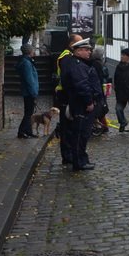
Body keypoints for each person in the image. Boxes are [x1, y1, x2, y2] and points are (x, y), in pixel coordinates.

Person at [60, 38, 102, 171]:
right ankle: (79, 162)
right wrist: (89, 102)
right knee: (80, 134)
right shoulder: (77, 65)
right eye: (86, 50)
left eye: (89, 50)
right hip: (81, 105)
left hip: (80, 104)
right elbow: (82, 85)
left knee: (82, 134)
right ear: (78, 51)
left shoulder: (78, 64)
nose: (89, 52)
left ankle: (82, 159)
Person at [54, 33, 83, 165]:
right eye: (79, 43)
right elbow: (67, 78)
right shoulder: (66, 57)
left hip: (67, 94)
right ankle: (67, 155)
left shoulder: (69, 56)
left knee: (71, 125)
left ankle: (70, 153)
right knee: (67, 126)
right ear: (72, 44)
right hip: (65, 95)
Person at [15, 44, 39, 139]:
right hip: (29, 92)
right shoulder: (26, 63)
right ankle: (21, 131)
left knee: (30, 112)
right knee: (28, 113)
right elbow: (29, 80)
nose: (34, 52)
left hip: (28, 91)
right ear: (29, 52)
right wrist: (34, 93)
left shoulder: (27, 62)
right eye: (33, 50)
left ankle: (28, 131)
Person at [89, 46, 110, 134]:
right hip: (100, 89)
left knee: (100, 108)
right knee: (101, 108)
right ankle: (103, 126)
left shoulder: (95, 63)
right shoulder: (98, 64)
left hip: (99, 90)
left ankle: (103, 126)